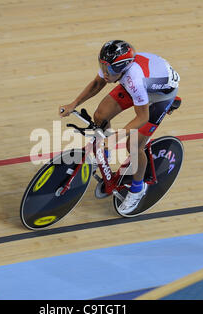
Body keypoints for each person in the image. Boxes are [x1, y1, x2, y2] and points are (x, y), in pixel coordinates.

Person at [59, 40, 181, 214]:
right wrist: (73, 104)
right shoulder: (115, 68)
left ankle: (138, 190)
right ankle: (104, 157)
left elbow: (142, 117)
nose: (104, 73)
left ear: (122, 68)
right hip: (143, 84)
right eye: (102, 65)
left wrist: (116, 137)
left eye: (108, 70)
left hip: (159, 96)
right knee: (100, 115)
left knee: (134, 144)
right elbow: (96, 83)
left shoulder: (134, 80)